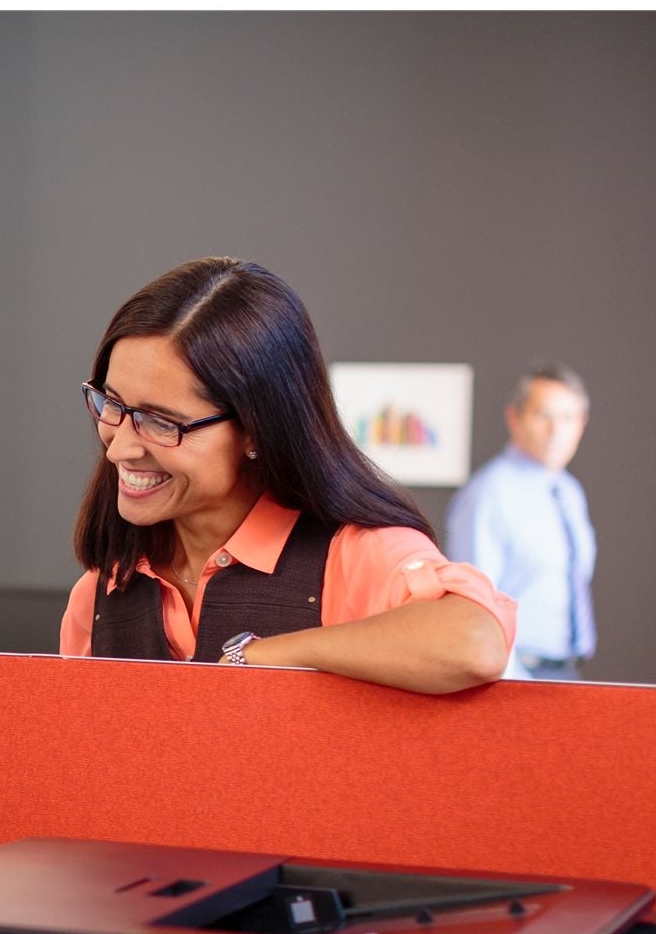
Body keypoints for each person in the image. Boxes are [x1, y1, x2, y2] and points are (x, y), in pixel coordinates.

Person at [58, 258, 517, 693]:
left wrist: (258, 656)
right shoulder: (100, 593)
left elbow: (473, 641)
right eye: (111, 404)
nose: (118, 447)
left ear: (256, 429)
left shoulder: (353, 556)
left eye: (161, 422)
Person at [445, 365, 597, 680]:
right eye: (543, 415)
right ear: (514, 418)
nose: (556, 430)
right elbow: (476, 607)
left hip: (567, 674)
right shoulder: (488, 494)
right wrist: (513, 684)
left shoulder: (569, 492)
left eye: (568, 417)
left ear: (582, 425)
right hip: (516, 676)